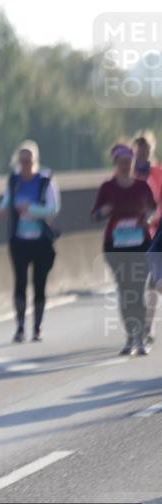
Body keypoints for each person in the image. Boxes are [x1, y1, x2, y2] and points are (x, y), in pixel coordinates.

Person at [91, 143, 158, 356]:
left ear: (133, 164)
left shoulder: (142, 186)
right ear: (115, 164)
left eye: (128, 163)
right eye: (121, 163)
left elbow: (153, 209)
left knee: (138, 291)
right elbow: (94, 216)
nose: (125, 166)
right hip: (115, 246)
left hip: (140, 245)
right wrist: (104, 210)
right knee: (124, 291)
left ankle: (140, 336)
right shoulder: (107, 187)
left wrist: (147, 219)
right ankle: (130, 336)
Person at [0, 140, 61, 343]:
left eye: (29, 160)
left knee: (39, 284)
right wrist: (5, 209)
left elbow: (53, 209)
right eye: (22, 160)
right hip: (19, 240)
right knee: (20, 284)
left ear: (35, 160)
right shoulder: (14, 181)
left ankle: (37, 327)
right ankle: (20, 327)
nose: (25, 164)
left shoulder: (46, 180)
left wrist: (31, 210)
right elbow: (6, 203)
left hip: (41, 241)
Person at [133, 131, 162, 345]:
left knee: (154, 281)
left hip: (154, 233)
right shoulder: (129, 172)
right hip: (131, 234)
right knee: (134, 282)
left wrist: (152, 218)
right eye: (140, 151)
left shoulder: (159, 173)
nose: (144, 155)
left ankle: (148, 325)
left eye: (147, 151)